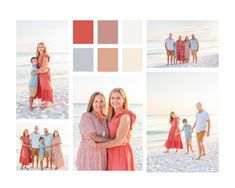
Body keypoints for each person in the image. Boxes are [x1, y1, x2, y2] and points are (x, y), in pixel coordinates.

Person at [88, 88, 136, 171]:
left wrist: (96, 146)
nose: (115, 101)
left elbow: (118, 141)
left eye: (118, 98)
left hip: (120, 153)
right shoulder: (110, 116)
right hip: (110, 152)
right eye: (112, 98)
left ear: (123, 100)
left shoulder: (125, 116)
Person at [76, 92, 110, 170]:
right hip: (88, 155)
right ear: (92, 103)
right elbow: (93, 137)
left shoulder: (106, 118)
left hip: (102, 155)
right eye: (96, 101)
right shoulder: (86, 116)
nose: (99, 104)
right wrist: (115, 140)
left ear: (104, 103)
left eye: (101, 101)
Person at [35, 42, 53, 109]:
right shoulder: (39, 55)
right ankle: (45, 101)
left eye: (42, 47)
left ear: (44, 47)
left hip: (44, 73)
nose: (40, 48)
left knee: (46, 87)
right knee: (42, 87)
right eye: (39, 47)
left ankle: (46, 104)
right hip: (41, 74)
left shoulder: (45, 55)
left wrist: (35, 72)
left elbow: (45, 66)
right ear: (37, 48)